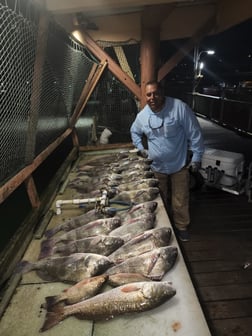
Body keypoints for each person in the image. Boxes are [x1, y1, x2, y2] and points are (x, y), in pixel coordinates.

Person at [130, 80, 204, 241]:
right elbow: (134, 131)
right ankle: (161, 227)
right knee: (158, 200)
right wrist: (141, 149)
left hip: (179, 165)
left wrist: (197, 157)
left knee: (180, 199)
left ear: (162, 92)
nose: (152, 97)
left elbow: (195, 133)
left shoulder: (180, 108)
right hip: (156, 166)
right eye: (148, 94)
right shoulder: (142, 116)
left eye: (155, 93)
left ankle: (181, 226)